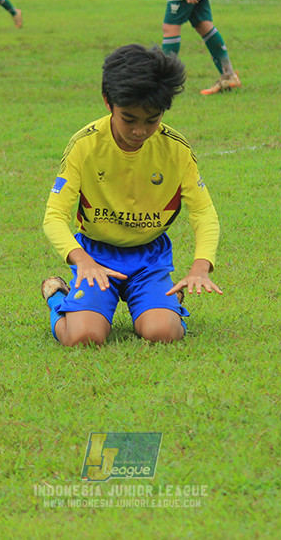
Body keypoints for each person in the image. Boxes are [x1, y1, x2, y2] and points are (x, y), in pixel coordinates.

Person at [41, 44, 222, 346]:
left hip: (150, 258)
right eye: (129, 119)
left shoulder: (175, 149)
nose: (139, 131)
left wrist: (200, 267)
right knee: (83, 338)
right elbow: (54, 216)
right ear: (108, 102)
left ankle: (163, 304)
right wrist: (82, 261)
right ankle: (57, 297)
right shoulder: (84, 146)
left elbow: (204, 213)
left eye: (151, 120)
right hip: (96, 255)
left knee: (162, 333)